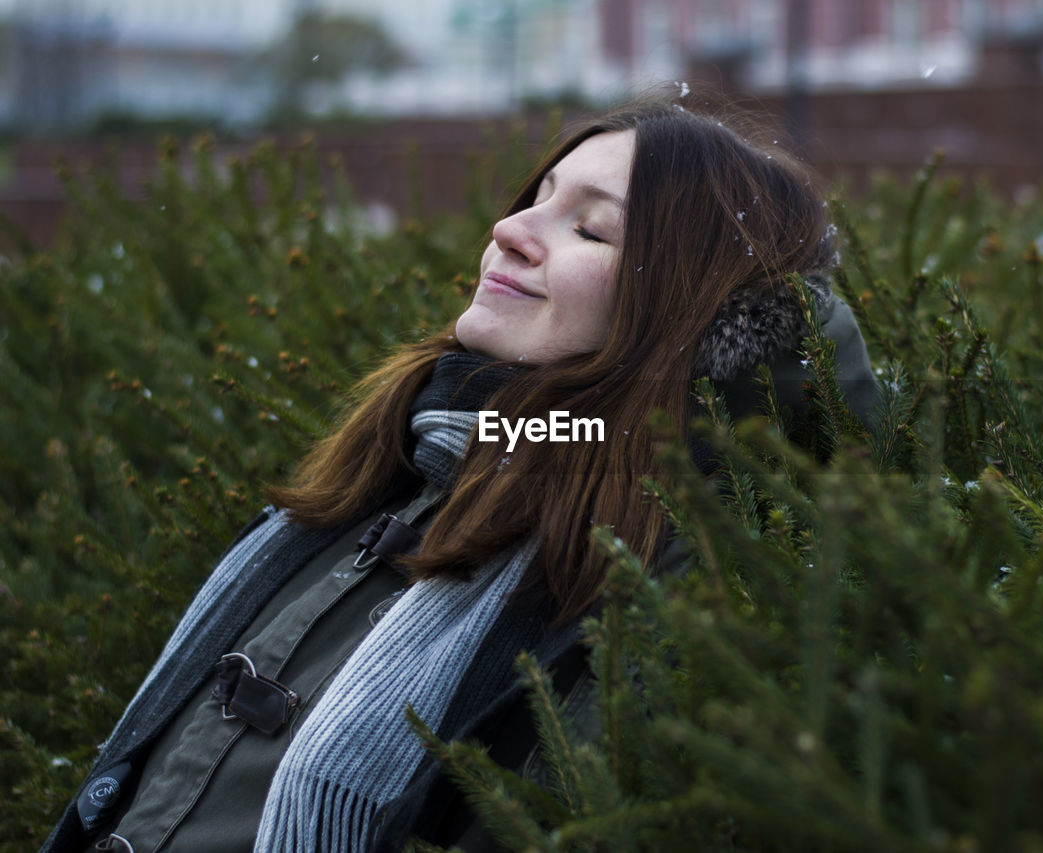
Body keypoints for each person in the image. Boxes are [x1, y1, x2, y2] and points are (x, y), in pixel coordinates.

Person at [44, 95, 878, 853]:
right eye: (538, 198)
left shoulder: (652, 574)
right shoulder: (421, 454)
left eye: (591, 229)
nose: (512, 229)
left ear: (681, 313)